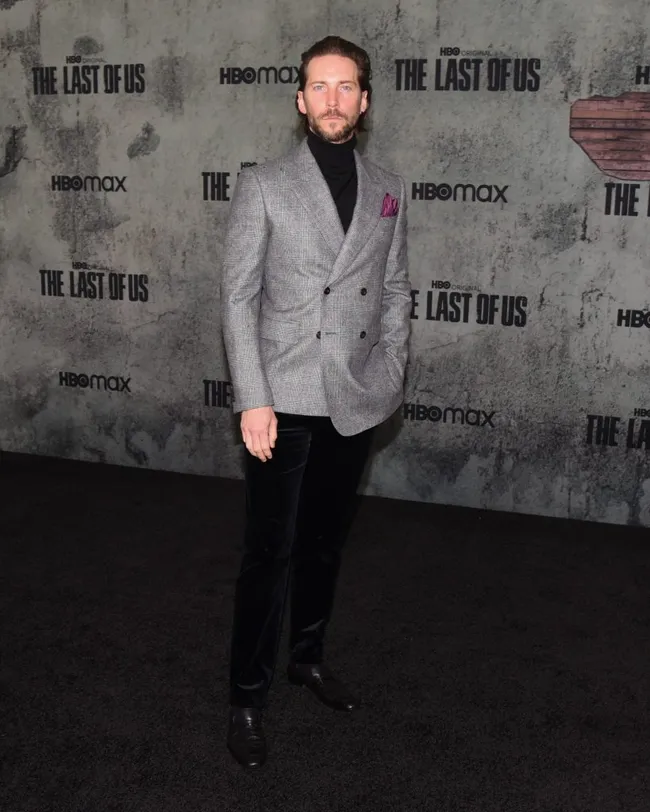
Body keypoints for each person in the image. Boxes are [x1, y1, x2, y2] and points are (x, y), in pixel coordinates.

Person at [220, 34, 411, 769]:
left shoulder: (391, 186)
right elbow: (238, 299)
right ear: (300, 99)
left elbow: (395, 291)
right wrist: (253, 398)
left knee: (326, 544)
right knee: (269, 554)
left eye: (346, 86)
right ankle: (246, 695)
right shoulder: (264, 184)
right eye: (318, 86)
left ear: (364, 100)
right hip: (285, 396)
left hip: (356, 397)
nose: (332, 99)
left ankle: (308, 657)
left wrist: (390, 369)